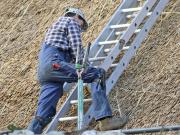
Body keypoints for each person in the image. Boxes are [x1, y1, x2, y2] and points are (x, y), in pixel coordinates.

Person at [27, 8, 127, 134]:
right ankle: (105, 120)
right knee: (97, 74)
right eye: (81, 24)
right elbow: (77, 48)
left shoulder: (54, 28)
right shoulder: (70, 21)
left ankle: (32, 131)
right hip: (55, 63)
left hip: (45, 71)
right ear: (77, 17)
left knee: (45, 111)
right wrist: (86, 68)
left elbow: (68, 54)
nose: (80, 28)